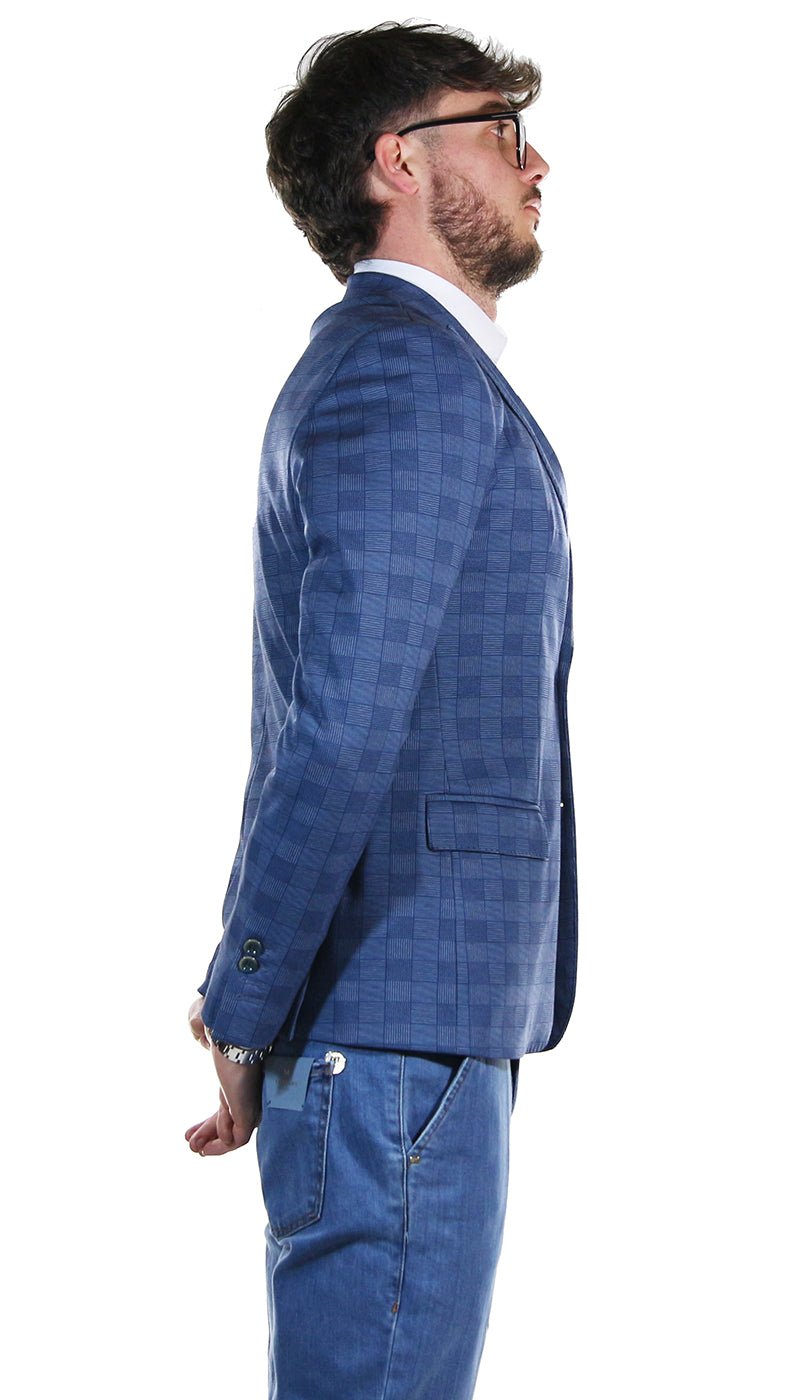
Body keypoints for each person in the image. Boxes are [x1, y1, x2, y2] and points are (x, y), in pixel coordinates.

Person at [185, 21, 577, 1400]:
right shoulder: (400, 374)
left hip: (402, 1030)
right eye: (501, 129)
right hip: (391, 1033)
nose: (538, 163)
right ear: (397, 162)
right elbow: (339, 729)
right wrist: (246, 1002)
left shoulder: (417, 370)